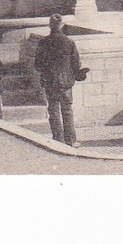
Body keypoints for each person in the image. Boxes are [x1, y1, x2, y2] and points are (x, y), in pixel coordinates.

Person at [32, 13, 85, 147]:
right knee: (67, 110)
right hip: (66, 82)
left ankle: (58, 139)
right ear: (61, 25)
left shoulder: (44, 42)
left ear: (50, 25)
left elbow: (37, 65)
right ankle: (71, 140)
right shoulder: (69, 42)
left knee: (53, 110)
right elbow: (76, 64)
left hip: (50, 81)